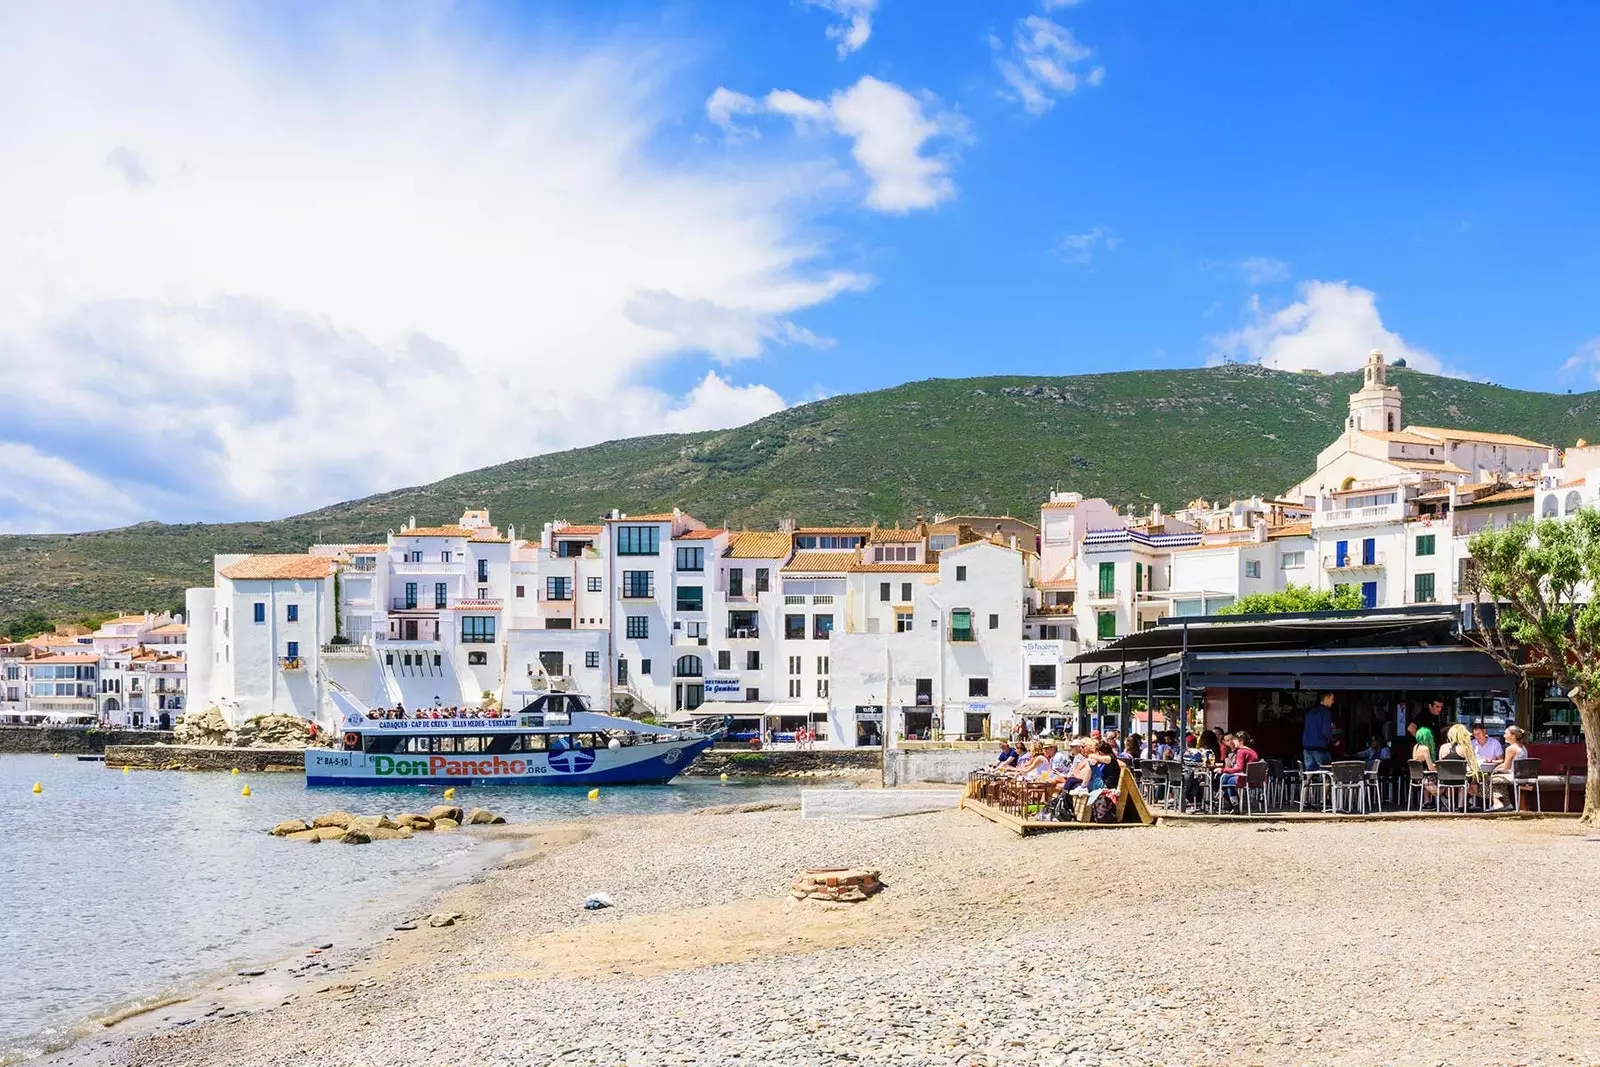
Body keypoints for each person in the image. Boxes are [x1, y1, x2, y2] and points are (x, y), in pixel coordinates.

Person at [1490, 726, 1532, 811]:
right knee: (1499, 780)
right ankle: (1506, 804)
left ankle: (1498, 802)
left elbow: (1506, 768)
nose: (1504, 736)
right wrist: (1499, 766)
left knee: (1492, 779)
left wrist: (1496, 769)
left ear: (1513, 736)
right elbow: (1511, 764)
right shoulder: (1522, 747)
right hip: (1523, 776)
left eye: (1506, 733)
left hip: (1514, 777)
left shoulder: (1510, 748)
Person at [1217, 731, 1260, 814]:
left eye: (1235, 740)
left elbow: (1238, 768)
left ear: (1241, 741)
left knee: (1226, 778)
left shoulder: (1241, 751)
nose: (1233, 742)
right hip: (1255, 779)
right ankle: (1233, 805)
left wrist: (1222, 770)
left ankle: (1219, 799)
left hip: (1245, 780)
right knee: (1227, 778)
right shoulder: (1252, 751)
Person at [1302, 692, 1336, 771]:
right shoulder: (1326, 712)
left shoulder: (1310, 712)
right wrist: (1334, 741)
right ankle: (1327, 783)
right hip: (1320, 748)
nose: (1333, 702)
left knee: (1310, 772)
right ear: (1326, 698)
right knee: (1329, 772)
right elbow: (1326, 731)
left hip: (1307, 748)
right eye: (1332, 699)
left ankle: (1307, 782)